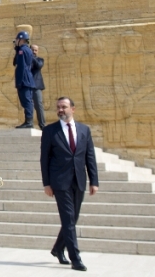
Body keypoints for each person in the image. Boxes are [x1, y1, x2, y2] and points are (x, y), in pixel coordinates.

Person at [41, 97, 98, 271]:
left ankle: (58, 249)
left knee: (72, 219)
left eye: (64, 107)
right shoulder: (50, 131)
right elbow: (44, 158)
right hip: (60, 182)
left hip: (79, 180)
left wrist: (94, 181)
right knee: (68, 220)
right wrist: (47, 183)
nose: (60, 110)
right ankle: (75, 258)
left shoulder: (84, 130)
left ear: (73, 109)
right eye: (58, 107)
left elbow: (90, 157)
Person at [13, 31, 36, 129]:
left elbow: (21, 66)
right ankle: (28, 120)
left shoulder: (22, 50)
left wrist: (19, 81)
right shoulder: (27, 50)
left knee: (26, 101)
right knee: (28, 101)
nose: (16, 41)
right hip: (28, 78)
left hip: (24, 79)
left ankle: (29, 121)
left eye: (17, 40)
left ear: (21, 39)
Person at [31, 45, 48, 130]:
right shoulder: (26, 60)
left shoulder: (40, 59)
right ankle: (29, 123)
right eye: (32, 50)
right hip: (26, 85)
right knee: (28, 105)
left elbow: (38, 66)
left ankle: (42, 125)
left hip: (36, 85)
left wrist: (31, 57)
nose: (34, 52)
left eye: (35, 50)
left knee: (38, 105)